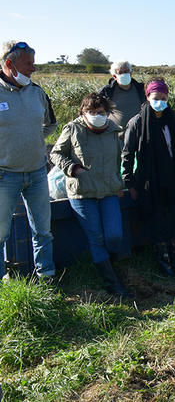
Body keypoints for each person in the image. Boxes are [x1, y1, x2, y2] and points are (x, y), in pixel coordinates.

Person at [50, 93, 131, 297]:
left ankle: (114, 265)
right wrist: (71, 168)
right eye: (91, 112)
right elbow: (55, 153)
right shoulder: (73, 129)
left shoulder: (113, 130)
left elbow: (117, 161)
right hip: (82, 192)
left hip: (108, 190)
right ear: (83, 112)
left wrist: (119, 183)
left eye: (101, 112)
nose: (96, 115)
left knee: (114, 235)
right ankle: (112, 282)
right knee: (96, 237)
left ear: (107, 113)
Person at [122, 77, 175, 277]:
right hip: (150, 180)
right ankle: (164, 263)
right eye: (156, 97)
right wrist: (129, 182)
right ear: (147, 97)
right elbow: (127, 154)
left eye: (164, 97)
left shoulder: (172, 120)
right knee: (158, 222)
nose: (160, 101)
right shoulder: (137, 122)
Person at [0, 41, 57, 281]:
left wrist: (31, 139)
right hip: (5, 175)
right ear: (10, 64)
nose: (33, 69)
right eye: (28, 64)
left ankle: (47, 278)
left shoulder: (37, 92)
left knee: (43, 230)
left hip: (36, 172)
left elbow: (50, 124)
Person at [98, 60, 146, 136]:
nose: (124, 74)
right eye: (120, 72)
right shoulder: (107, 91)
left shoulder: (141, 88)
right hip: (116, 137)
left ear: (131, 73)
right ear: (114, 76)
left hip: (139, 135)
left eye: (126, 71)